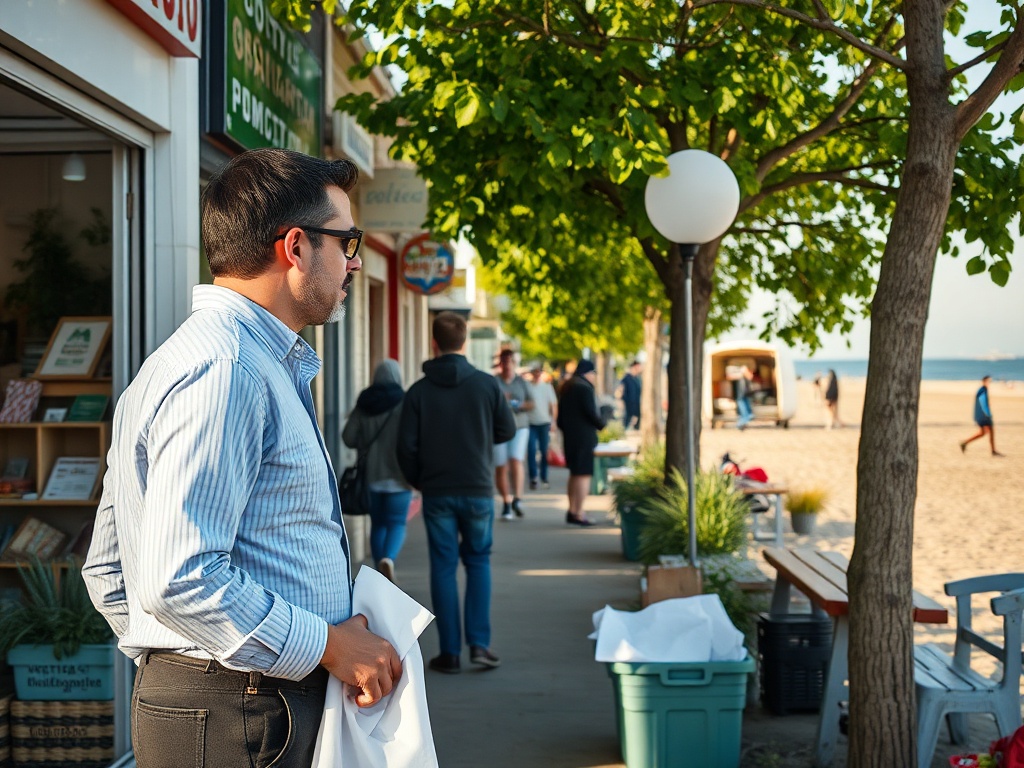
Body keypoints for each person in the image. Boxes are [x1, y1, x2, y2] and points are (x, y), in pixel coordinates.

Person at [82, 148, 402, 768]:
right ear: (295, 248)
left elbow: (110, 569)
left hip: (235, 704)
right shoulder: (227, 371)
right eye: (347, 240)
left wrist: (176, 661)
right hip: (243, 713)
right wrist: (327, 646)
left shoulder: (217, 362)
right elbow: (179, 577)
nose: (355, 259)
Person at [397, 312, 516, 674]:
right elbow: (507, 430)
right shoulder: (487, 385)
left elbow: (404, 447)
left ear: (434, 343)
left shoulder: (419, 391)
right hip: (478, 487)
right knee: (479, 562)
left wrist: (419, 479)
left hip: (437, 491)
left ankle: (449, 652)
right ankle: (479, 644)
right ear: (463, 342)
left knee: (444, 567)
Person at [342, 359, 413, 583]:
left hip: (371, 477)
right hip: (400, 476)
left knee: (379, 524)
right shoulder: (405, 402)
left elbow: (348, 438)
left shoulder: (365, 403)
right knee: (397, 522)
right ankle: (388, 559)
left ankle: (378, 574)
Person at [557, 359, 606, 527]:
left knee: (574, 474)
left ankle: (572, 510)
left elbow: (560, 419)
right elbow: (591, 413)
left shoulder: (568, 387)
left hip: (570, 437)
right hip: (583, 438)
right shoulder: (584, 388)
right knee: (583, 475)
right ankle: (578, 512)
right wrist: (602, 423)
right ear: (588, 373)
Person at [493, 348, 533, 520]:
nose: (507, 366)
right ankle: (506, 501)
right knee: (501, 465)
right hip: (498, 428)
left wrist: (515, 403)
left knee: (516, 460)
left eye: (510, 362)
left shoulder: (521, 382)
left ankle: (518, 497)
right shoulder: (494, 382)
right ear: (500, 364)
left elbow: (531, 403)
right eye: (504, 362)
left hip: (519, 426)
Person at [526, 365, 558, 490]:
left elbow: (553, 405)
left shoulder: (547, 387)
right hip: (531, 423)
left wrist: (553, 421)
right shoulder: (528, 387)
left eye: (538, 372)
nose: (537, 374)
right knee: (531, 451)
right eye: (535, 372)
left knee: (544, 451)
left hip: (544, 423)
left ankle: (544, 476)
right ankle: (533, 477)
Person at [959, 375, 1004, 456]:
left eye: (990, 381)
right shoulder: (983, 390)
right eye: (988, 381)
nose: (989, 383)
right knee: (990, 431)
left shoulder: (982, 390)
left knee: (982, 433)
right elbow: (983, 403)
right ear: (984, 381)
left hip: (980, 415)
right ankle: (993, 451)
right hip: (983, 415)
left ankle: (964, 443)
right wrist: (988, 413)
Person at [618, 360, 642, 429]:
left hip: (636, 404)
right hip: (627, 405)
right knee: (626, 421)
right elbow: (620, 391)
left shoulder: (637, 379)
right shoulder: (626, 379)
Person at [734, 365, 754, 430]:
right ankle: (742, 423)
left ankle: (740, 424)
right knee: (744, 411)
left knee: (744, 411)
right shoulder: (745, 378)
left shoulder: (743, 378)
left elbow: (742, 389)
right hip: (744, 396)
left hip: (742, 396)